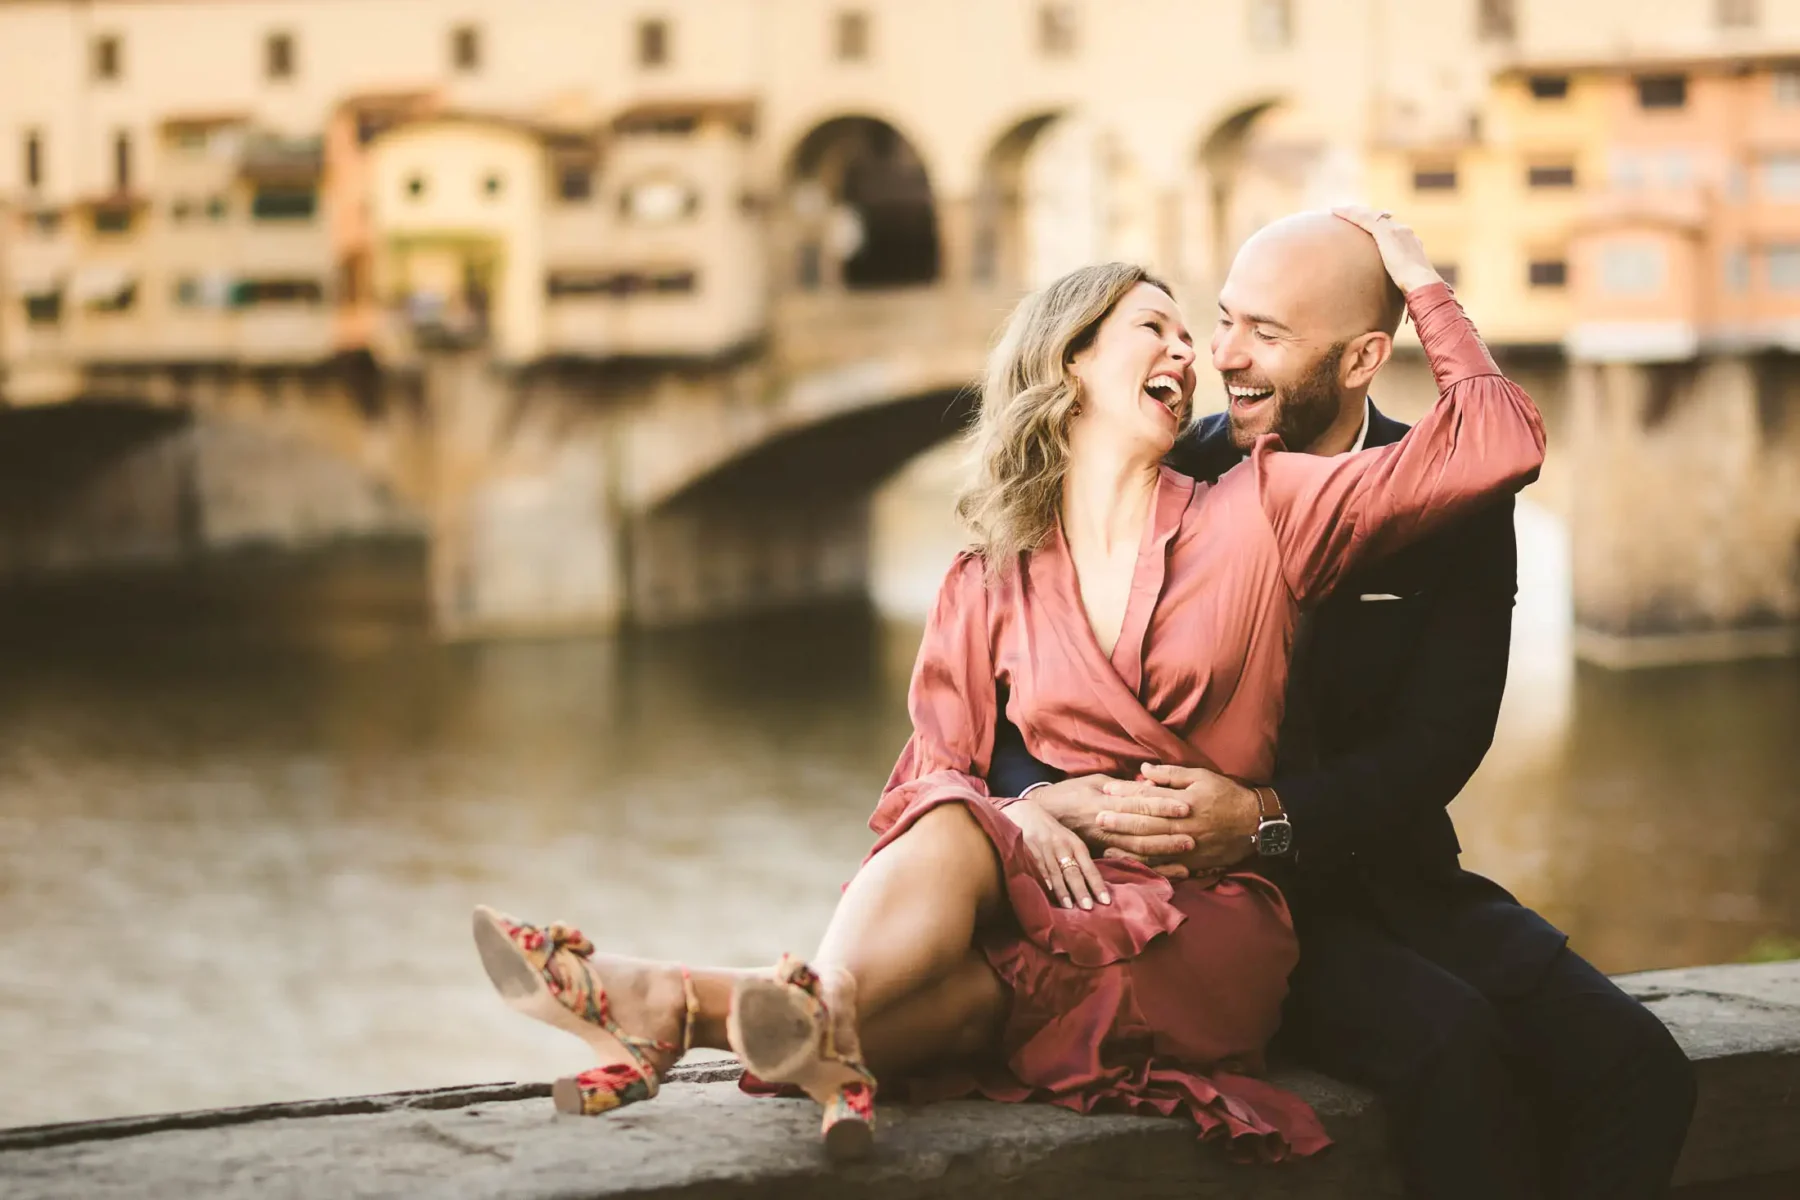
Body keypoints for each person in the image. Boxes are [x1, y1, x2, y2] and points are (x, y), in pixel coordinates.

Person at [469, 208, 1545, 1167]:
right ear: (1070, 367)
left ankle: (683, 1002)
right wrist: (1039, 809)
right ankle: (817, 1017)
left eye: (1197, 334)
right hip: (1055, 894)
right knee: (947, 819)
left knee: (1026, 950)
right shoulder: (988, 576)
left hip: (1196, 914)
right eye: (1158, 330)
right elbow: (926, 789)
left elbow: (1496, 441)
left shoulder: (1264, 505)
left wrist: (1416, 277)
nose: (1196, 355)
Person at [989, 212, 1698, 1199]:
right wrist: (1033, 801)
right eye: (1226, 320)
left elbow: (1444, 741)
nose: (1224, 357)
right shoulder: (1167, 473)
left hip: (1403, 874)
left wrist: (1271, 820)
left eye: (1267, 335)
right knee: (1456, 1052)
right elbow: (1014, 680)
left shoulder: (1451, 495)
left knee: (1640, 1070)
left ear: (1364, 357)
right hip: (1225, 911)